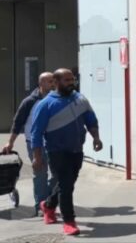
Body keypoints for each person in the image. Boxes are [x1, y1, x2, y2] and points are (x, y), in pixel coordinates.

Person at [30, 69, 102, 236]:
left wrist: (96, 138)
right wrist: (37, 157)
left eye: (72, 79)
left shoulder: (80, 99)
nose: (71, 83)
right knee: (66, 185)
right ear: (56, 82)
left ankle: (48, 205)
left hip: (76, 149)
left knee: (67, 183)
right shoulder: (45, 104)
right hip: (56, 151)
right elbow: (36, 133)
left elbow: (91, 119)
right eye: (67, 80)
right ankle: (69, 221)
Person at [2, 72, 57, 216]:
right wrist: (10, 142)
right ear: (41, 83)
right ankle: (42, 207)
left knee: (57, 175)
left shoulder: (57, 99)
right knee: (40, 174)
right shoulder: (30, 101)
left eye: (54, 81)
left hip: (55, 143)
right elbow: (18, 122)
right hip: (35, 144)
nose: (53, 84)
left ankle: (48, 201)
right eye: (50, 81)